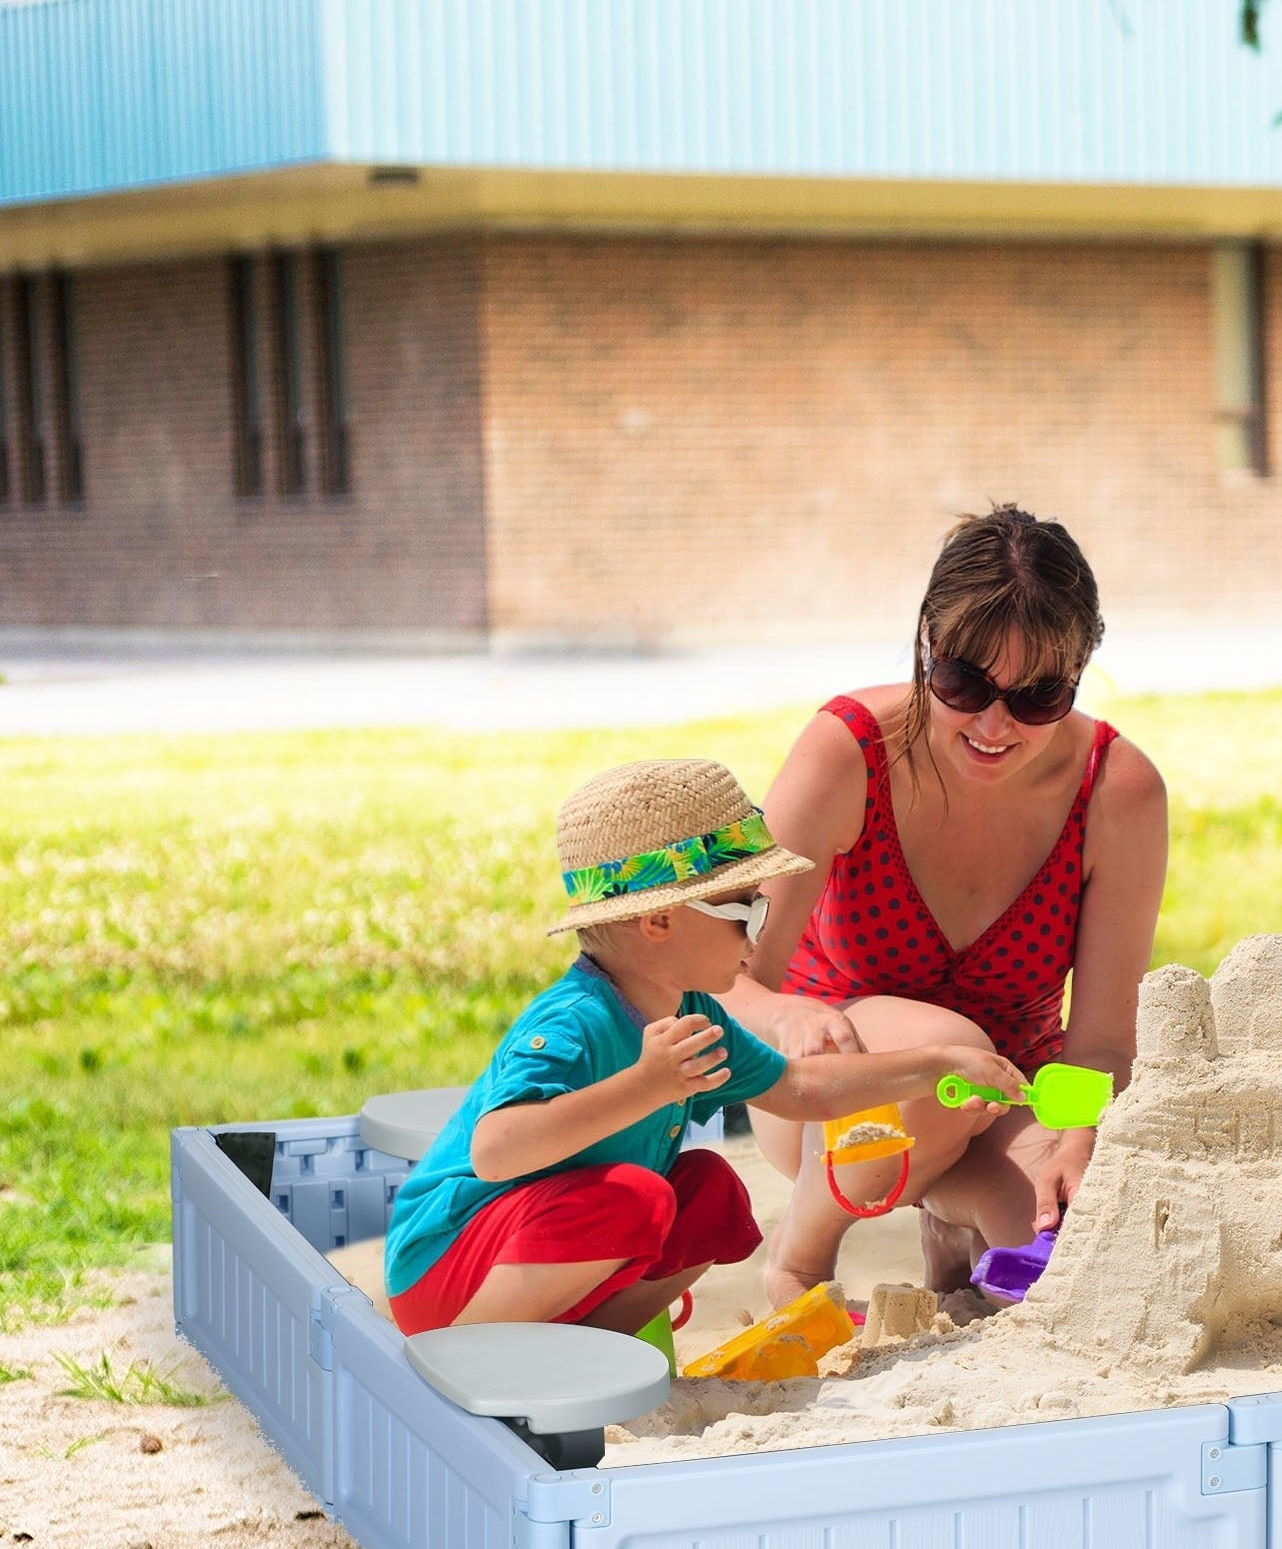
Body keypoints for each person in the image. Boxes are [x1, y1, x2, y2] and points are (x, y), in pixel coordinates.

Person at [383, 758, 1023, 1337]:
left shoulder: (692, 1013)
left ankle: (599, 1346)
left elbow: (799, 1089)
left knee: (710, 1193)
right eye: (744, 913)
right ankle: (477, 1356)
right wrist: (646, 1085)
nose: (759, 935)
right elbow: (496, 1153)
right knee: (639, 1198)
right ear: (659, 922)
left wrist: (936, 1065)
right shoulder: (574, 1022)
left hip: (538, 1252)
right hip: (451, 1268)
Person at [728, 506, 1169, 1305]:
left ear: (1081, 670)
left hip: (1004, 1086)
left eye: (1038, 697)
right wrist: (789, 1018)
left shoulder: (1118, 791)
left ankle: (952, 1211)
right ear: (927, 642)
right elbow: (727, 981)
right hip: (829, 1104)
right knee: (943, 1057)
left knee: (1063, 1254)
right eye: (964, 683)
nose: (995, 724)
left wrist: (1075, 1135)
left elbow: (1101, 1041)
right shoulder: (849, 751)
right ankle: (800, 1258)